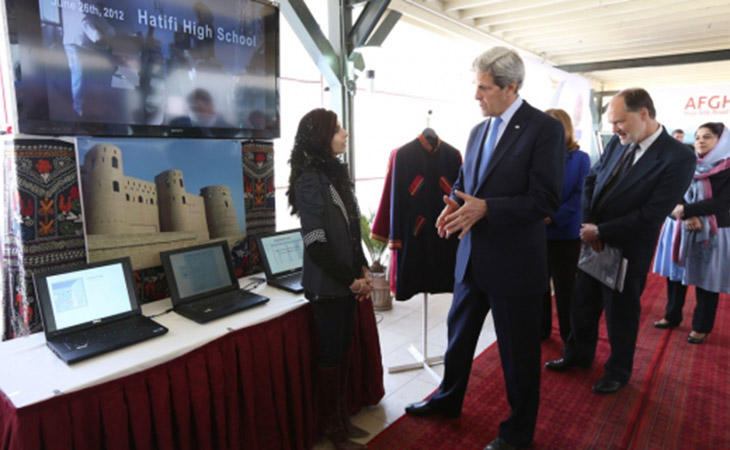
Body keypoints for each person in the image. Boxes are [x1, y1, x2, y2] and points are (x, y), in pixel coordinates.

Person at [405, 47, 565, 450]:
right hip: (471, 257)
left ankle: (518, 433)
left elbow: (545, 200)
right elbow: (465, 183)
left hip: (515, 264)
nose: (476, 96)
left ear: (511, 87)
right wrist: (454, 206)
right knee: (458, 339)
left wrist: (487, 208)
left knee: (517, 356)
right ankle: (447, 400)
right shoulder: (478, 131)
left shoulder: (543, 129)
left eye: (484, 88)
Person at [545, 88, 696, 395]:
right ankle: (578, 355)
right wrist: (590, 225)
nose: (613, 129)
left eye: (619, 121)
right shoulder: (619, 141)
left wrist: (602, 232)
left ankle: (618, 371)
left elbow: (653, 213)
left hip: (628, 249)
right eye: (612, 123)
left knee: (620, 314)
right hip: (593, 241)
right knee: (582, 305)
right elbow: (591, 180)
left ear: (643, 114)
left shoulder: (678, 155)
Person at [287, 108, 372, 450]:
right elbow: (316, 243)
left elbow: (351, 230)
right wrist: (349, 279)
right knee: (331, 357)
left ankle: (341, 420)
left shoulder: (335, 174)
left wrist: (363, 267)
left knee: (342, 352)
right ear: (322, 136)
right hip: (328, 286)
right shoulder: (309, 178)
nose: (344, 133)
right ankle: (333, 429)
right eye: (337, 129)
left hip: (345, 282)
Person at [653, 122, 730, 344]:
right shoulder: (686, 162)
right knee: (675, 274)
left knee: (707, 279)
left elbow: (723, 201)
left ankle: (701, 326)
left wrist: (688, 210)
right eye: (697, 137)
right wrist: (685, 213)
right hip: (679, 224)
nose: (700, 141)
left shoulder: (727, 167)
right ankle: (672, 315)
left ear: (721, 140)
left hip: (714, 230)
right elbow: (669, 189)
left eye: (707, 137)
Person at [541, 109, 591, 342]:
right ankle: (541, 330)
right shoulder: (535, 155)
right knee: (539, 286)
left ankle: (568, 336)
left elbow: (579, 195)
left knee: (565, 288)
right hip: (537, 231)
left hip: (565, 232)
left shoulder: (580, 159)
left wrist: (553, 216)